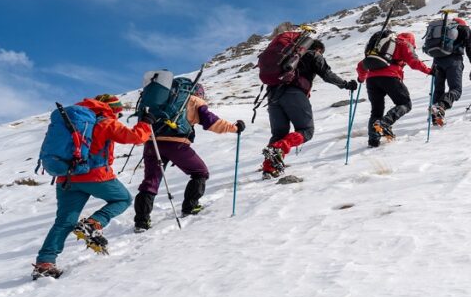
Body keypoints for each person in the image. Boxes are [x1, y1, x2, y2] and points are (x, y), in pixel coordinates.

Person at [32, 94, 152, 280]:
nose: (118, 116)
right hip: (95, 176)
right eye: (118, 112)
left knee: (64, 221)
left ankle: (44, 263)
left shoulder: (70, 121)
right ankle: (93, 224)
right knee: (123, 199)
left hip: (67, 178)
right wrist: (145, 123)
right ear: (112, 109)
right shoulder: (105, 122)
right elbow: (135, 138)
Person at [133, 85, 245, 232]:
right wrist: (234, 128)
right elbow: (211, 122)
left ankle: (141, 222)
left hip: (152, 143)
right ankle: (190, 207)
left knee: (150, 181)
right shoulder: (193, 100)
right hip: (176, 145)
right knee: (200, 172)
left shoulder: (162, 100)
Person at [262, 38, 356, 178]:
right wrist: (345, 84)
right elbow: (326, 74)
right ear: (318, 49)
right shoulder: (313, 54)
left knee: (278, 134)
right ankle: (279, 148)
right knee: (306, 131)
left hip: (273, 96)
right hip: (294, 93)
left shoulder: (286, 55)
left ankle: (269, 169)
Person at [357, 32, 432, 146]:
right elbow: (413, 62)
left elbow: (361, 65)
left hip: (371, 80)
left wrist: (361, 78)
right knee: (405, 104)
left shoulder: (379, 47)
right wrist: (429, 71)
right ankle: (384, 123)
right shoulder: (403, 43)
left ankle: (373, 141)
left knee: (376, 111)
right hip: (390, 77)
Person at [429, 17, 471, 125]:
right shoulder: (464, 28)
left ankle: (435, 117)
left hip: (437, 61)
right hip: (454, 60)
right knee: (456, 89)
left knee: (438, 90)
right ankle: (440, 106)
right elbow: (469, 45)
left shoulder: (441, 30)